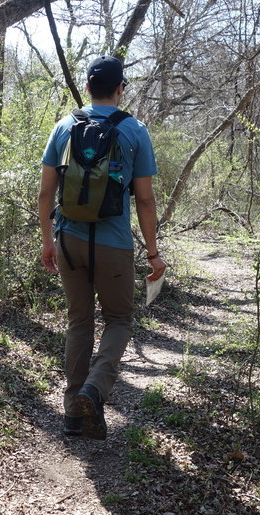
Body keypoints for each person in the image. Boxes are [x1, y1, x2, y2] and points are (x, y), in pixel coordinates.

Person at [38, 55, 167, 441]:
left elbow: (46, 192)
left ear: (89, 87)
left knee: (79, 321)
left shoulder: (64, 126)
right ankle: (94, 390)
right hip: (113, 244)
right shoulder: (134, 131)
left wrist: (47, 240)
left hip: (69, 240)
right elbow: (144, 200)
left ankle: (71, 414)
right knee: (119, 319)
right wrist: (153, 252)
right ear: (120, 88)